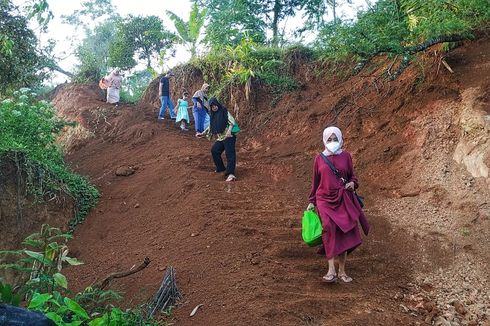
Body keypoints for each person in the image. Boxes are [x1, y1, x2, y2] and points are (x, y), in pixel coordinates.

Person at [307, 126, 369, 283]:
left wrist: (352, 184)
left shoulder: (346, 156)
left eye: (335, 139)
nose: (333, 142)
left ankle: (342, 271)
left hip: (343, 198)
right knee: (328, 229)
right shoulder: (319, 159)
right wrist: (312, 201)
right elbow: (315, 183)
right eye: (329, 139)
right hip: (324, 200)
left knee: (345, 232)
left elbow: (353, 177)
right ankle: (331, 270)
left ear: (341, 139)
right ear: (324, 140)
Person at [197, 97, 239, 182]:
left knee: (229, 153)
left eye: (215, 105)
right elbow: (210, 126)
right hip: (221, 138)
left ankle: (231, 174)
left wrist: (229, 132)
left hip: (229, 136)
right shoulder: (213, 115)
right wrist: (202, 133)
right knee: (215, 150)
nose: (214, 107)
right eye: (212, 107)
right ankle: (221, 168)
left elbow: (232, 121)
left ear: (217, 104)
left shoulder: (224, 111)